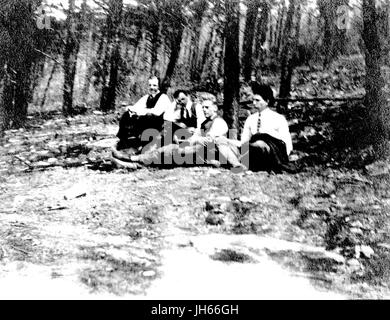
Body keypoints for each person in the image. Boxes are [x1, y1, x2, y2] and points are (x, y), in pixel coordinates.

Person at [129, 97, 228, 167]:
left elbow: (210, 141)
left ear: (215, 108)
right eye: (203, 107)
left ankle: (134, 160)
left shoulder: (219, 122)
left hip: (211, 152)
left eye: (207, 107)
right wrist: (184, 142)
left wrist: (193, 142)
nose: (204, 110)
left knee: (170, 152)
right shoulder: (205, 122)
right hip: (200, 149)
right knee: (169, 150)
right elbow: (196, 137)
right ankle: (137, 160)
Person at [216, 83, 293, 173]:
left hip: (270, 155)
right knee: (220, 141)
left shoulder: (278, 118)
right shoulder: (250, 119)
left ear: (267, 101)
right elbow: (243, 142)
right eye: (253, 100)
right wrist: (227, 141)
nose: (254, 103)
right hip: (250, 151)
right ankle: (238, 165)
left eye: (257, 100)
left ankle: (243, 163)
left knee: (258, 144)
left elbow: (287, 143)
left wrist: (282, 161)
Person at [115, 76, 171, 152]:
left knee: (147, 117)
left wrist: (140, 112)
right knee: (126, 115)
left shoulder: (163, 97)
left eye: (154, 85)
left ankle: (143, 143)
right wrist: (130, 110)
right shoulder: (147, 97)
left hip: (159, 124)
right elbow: (136, 107)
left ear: (159, 86)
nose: (152, 88)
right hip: (148, 120)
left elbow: (156, 112)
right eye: (150, 85)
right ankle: (124, 140)